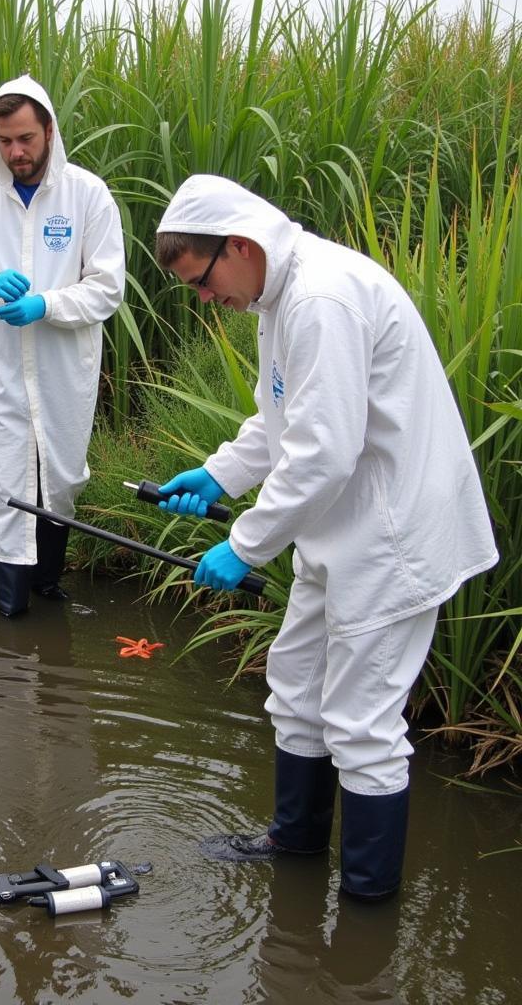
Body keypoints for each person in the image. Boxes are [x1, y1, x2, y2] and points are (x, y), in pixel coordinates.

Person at [153, 174, 498, 899]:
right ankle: (298, 842)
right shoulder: (278, 297)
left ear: (239, 246)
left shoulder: (321, 298)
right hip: (338, 528)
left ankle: (367, 905)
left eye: (203, 283)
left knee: (362, 722)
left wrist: (242, 544)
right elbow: (282, 421)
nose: (207, 301)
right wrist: (219, 475)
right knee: (298, 683)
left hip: (390, 534)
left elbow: (324, 454)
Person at [0, 75, 125, 618]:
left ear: (49, 130)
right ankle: (12, 611)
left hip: (65, 365)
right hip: (2, 368)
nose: (15, 152)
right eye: (4, 141)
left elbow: (107, 288)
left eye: (25, 138)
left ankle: (47, 587)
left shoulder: (86, 194)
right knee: (4, 482)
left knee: (61, 476)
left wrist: (47, 305)